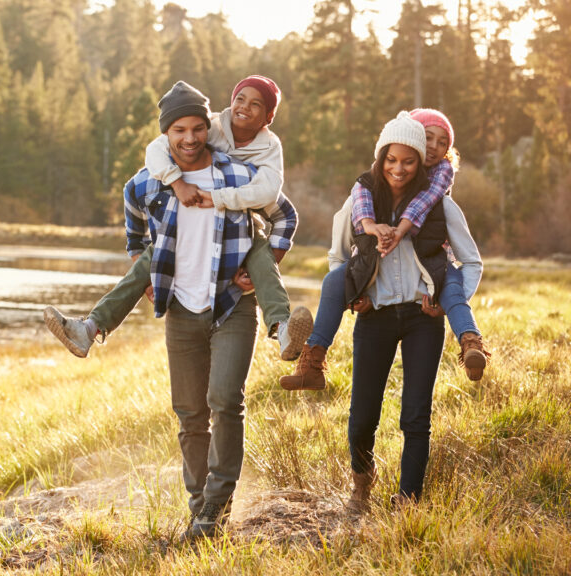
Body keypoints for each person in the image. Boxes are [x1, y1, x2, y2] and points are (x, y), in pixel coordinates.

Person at [115, 82, 298, 538]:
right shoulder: (149, 180)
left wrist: (263, 263)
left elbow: (285, 214)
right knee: (189, 413)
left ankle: (215, 508)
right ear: (166, 135)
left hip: (232, 303)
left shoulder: (237, 175)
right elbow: (134, 222)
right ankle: (199, 507)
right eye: (179, 130)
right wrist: (145, 272)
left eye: (198, 128)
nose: (191, 138)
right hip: (180, 306)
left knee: (225, 402)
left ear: (207, 128)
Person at [43, 76, 311, 362]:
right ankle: (89, 329)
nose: (190, 137)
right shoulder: (213, 126)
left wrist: (264, 263)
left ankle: (282, 329)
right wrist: (177, 183)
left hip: (243, 226)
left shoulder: (268, 149)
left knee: (260, 255)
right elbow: (156, 150)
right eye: (240, 99)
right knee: (151, 258)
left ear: (269, 117)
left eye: (256, 104)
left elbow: (274, 196)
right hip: (186, 229)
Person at [325, 112, 483, 511]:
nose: (401, 167)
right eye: (394, 159)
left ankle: (409, 497)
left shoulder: (441, 206)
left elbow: (472, 262)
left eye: (411, 159)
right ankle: (362, 483)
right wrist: (353, 294)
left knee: (416, 415)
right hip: (374, 317)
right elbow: (337, 257)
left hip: (421, 319)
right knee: (362, 415)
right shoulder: (361, 201)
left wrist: (447, 302)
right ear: (384, 158)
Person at [280, 108, 489, 392]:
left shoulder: (439, 189)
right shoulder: (366, 188)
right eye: (428, 138)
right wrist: (356, 292)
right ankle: (312, 359)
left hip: (431, 276)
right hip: (376, 300)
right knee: (333, 281)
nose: (435, 147)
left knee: (452, 286)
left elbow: (429, 208)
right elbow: (341, 247)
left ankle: (471, 341)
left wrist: (400, 230)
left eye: (443, 143)